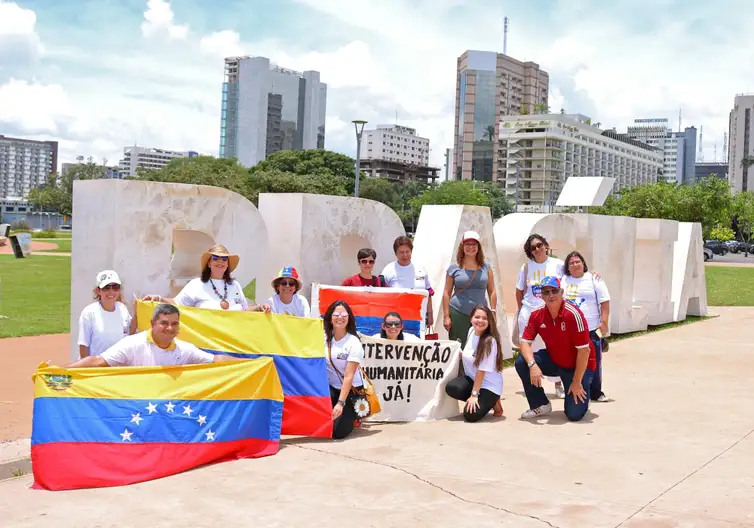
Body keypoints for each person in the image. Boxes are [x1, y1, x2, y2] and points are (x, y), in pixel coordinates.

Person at [514, 276, 596, 421]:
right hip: (556, 359)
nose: (551, 295)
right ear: (541, 295)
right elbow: (525, 343)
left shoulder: (573, 314)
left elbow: (584, 351)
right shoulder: (537, 314)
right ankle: (540, 404)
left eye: (554, 291)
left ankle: (583, 390)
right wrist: (533, 366)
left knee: (574, 414)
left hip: (579, 366)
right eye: (546, 292)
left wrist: (576, 382)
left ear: (561, 292)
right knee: (522, 362)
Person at [65, 304, 232, 368]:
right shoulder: (132, 344)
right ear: (152, 323)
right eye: (164, 323)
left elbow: (216, 360)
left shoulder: (185, 350)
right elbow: (98, 361)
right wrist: (59, 370)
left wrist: (255, 364)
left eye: (174, 324)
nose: (169, 328)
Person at [515, 234, 566, 398]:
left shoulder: (558, 264)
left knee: (554, 347)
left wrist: (592, 273)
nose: (537, 249)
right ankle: (535, 385)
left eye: (539, 245)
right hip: (529, 313)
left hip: (550, 313)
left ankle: (559, 383)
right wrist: (521, 310)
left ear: (546, 245)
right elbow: (519, 291)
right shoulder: (526, 268)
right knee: (529, 349)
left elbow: (573, 277)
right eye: (533, 248)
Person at [143, 244, 268, 312]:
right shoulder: (196, 284)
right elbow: (177, 303)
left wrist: (259, 307)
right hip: (208, 343)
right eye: (215, 258)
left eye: (224, 259)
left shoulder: (235, 285)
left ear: (228, 264)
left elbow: (244, 311)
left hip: (232, 342)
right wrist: (158, 298)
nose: (220, 262)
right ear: (209, 263)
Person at [561, 251, 611, 402]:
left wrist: (604, 322)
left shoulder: (594, 279)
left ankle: (596, 392)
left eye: (578, 261)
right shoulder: (564, 280)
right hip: (569, 330)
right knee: (570, 361)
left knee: (594, 361)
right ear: (567, 267)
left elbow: (605, 302)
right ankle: (572, 387)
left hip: (591, 328)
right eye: (571, 263)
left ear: (583, 264)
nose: (575, 265)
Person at [445, 305, 504, 422]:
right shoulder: (471, 330)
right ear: (471, 318)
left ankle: (493, 399)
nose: (480, 321)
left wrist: (474, 395)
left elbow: (481, 371)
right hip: (473, 380)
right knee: (451, 388)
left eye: (484, 318)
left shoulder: (489, 342)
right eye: (477, 317)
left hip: (488, 385)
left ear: (489, 321)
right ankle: (488, 402)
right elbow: (469, 353)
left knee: (470, 415)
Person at [442, 231, 497, 347]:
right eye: (467, 244)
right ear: (462, 247)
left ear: (478, 247)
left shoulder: (486, 268)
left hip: (481, 315)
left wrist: (493, 311)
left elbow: (492, 291)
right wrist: (446, 316)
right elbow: (446, 293)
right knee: (458, 347)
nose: (471, 247)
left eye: (474, 244)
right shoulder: (454, 268)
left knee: (480, 347)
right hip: (458, 313)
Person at [324, 300, 365, 439]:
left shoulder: (353, 342)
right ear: (330, 317)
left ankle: (355, 418)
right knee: (321, 426)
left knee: (337, 433)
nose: (340, 317)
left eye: (344, 315)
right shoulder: (323, 339)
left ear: (349, 318)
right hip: (330, 389)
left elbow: (349, 376)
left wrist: (340, 404)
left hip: (350, 392)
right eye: (336, 314)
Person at [77, 270, 136, 358]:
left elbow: (130, 332)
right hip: (97, 368)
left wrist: (136, 313)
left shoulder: (122, 308)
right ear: (98, 291)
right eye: (106, 288)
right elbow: (83, 345)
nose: (111, 292)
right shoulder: (89, 312)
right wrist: (86, 369)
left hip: (118, 366)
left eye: (115, 287)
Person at [381, 236, 434, 329]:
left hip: (419, 318)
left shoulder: (420, 269)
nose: (405, 255)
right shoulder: (388, 270)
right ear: (395, 253)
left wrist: (430, 315)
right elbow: (382, 296)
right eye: (401, 252)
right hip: (396, 320)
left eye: (407, 252)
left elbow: (428, 294)